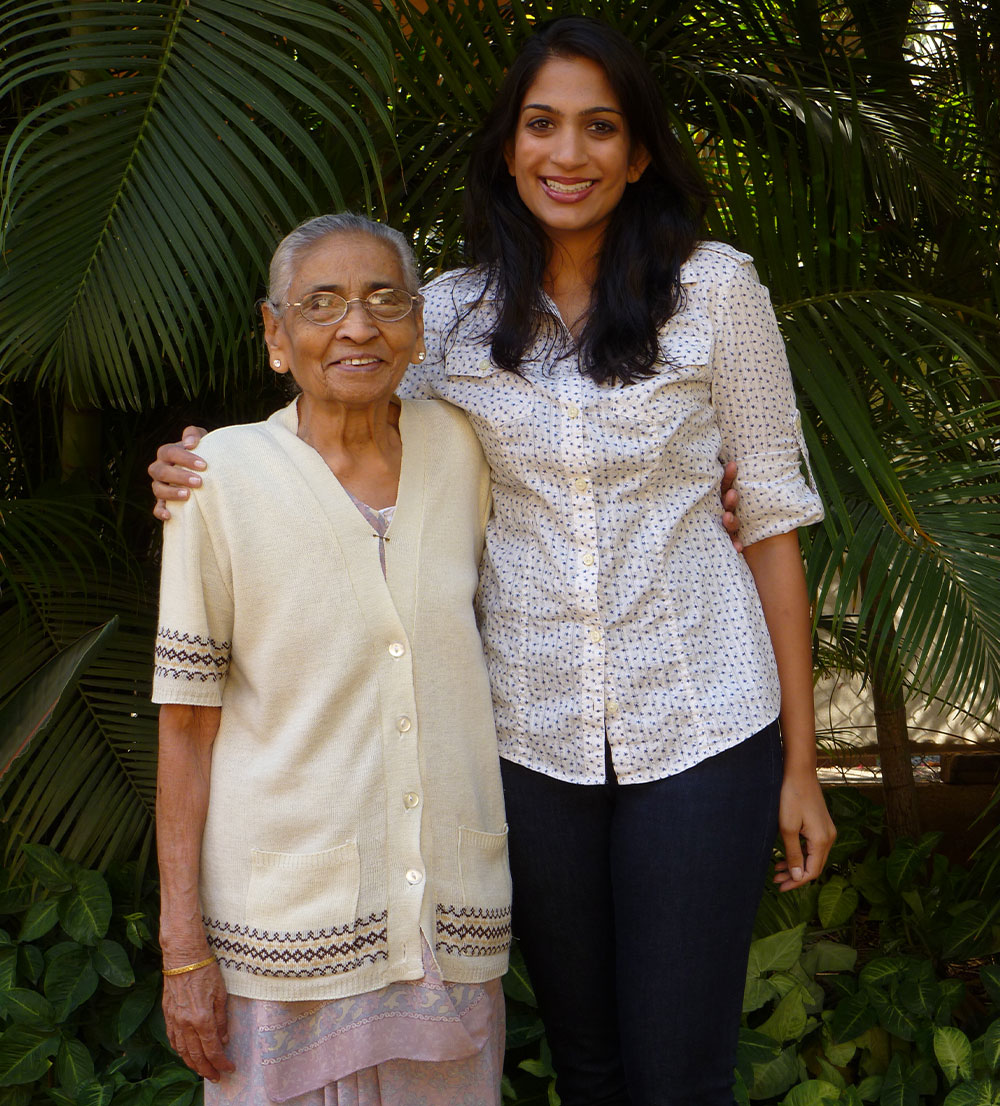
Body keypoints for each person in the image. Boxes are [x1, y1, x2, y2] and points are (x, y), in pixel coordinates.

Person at [150, 17, 836, 1106]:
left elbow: (772, 523)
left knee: (681, 1067)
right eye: (542, 125)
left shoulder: (716, 293)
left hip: (705, 715)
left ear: (639, 151)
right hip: (527, 735)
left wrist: (801, 765)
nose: (569, 154)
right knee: (588, 1060)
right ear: (510, 149)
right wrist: (208, 464)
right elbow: (348, 423)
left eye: (599, 128)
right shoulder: (453, 319)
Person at [152, 213, 512, 1106]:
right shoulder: (220, 477)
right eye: (323, 304)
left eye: (384, 300)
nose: (358, 326)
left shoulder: (464, 450)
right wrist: (181, 948)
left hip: (446, 931)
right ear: (276, 335)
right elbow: (188, 728)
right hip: (282, 940)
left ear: (419, 328)